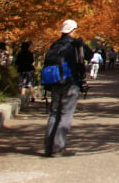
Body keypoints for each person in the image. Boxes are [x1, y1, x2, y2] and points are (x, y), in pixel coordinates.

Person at [43, 19, 93, 157]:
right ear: (74, 30)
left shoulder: (55, 44)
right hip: (70, 82)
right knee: (65, 114)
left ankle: (48, 146)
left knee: (53, 114)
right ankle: (58, 148)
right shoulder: (76, 44)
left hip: (55, 82)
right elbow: (90, 55)